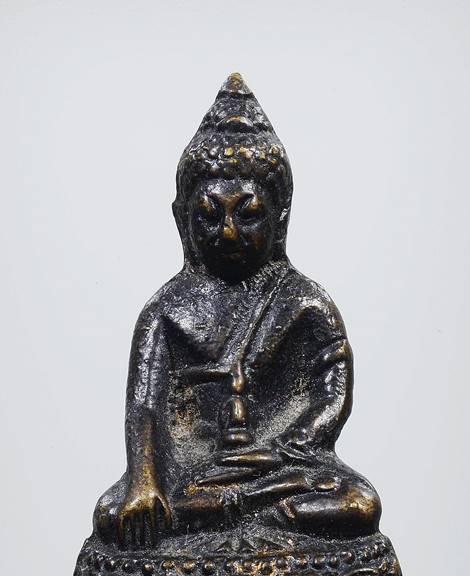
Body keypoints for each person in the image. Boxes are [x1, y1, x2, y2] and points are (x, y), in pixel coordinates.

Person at [93, 73, 381, 547]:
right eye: (209, 216)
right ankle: (235, 513)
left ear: (280, 217)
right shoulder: (166, 312)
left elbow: (331, 393)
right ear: (181, 220)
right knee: (113, 513)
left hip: (279, 469)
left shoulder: (305, 303)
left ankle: (236, 512)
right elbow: (144, 408)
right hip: (190, 475)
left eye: (247, 215)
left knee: (358, 502)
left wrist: (287, 448)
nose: (227, 233)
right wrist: (144, 481)